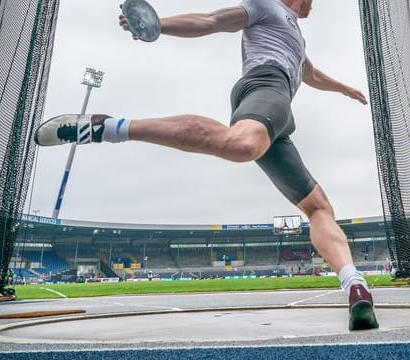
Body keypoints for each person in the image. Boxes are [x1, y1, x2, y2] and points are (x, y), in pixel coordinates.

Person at [35, 0, 378, 330]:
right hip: (264, 86)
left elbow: (311, 74)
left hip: (280, 115)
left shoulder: (296, 36)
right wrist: (158, 25)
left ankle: (355, 287)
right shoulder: (264, 5)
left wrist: (344, 89)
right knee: (242, 144)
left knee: (319, 208)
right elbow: (213, 20)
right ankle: (106, 127)